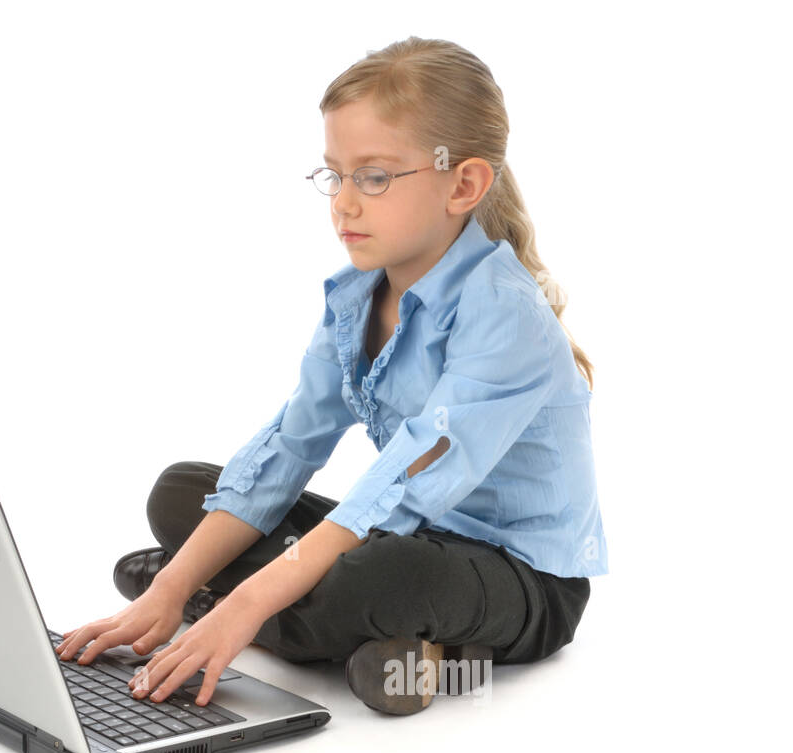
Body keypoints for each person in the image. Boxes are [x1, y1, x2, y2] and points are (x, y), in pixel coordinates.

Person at [54, 36, 608, 716]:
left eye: (374, 177)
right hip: (406, 527)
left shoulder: (507, 316)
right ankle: (366, 645)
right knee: (182, 494)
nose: (343, 203)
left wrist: (244, 602)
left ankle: (254, 616)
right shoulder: (357, 297)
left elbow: (402, 480)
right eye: (334, 175)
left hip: (523, 575)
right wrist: (168, 587)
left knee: (383, 575)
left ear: (462, 184)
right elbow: (290, 447)